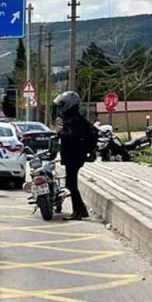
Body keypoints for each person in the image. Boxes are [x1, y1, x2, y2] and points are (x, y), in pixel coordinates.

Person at [54, 90, 97, 220]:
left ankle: (78, 211)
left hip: (74, 155)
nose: (60, 108)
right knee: (71, 184)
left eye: (62, 105)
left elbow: (72, 136)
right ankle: (81, 210)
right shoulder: (73, 118)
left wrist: (60, 133)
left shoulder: (74, 120)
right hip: (74, 155)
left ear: (68, 105)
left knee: (71, 185)